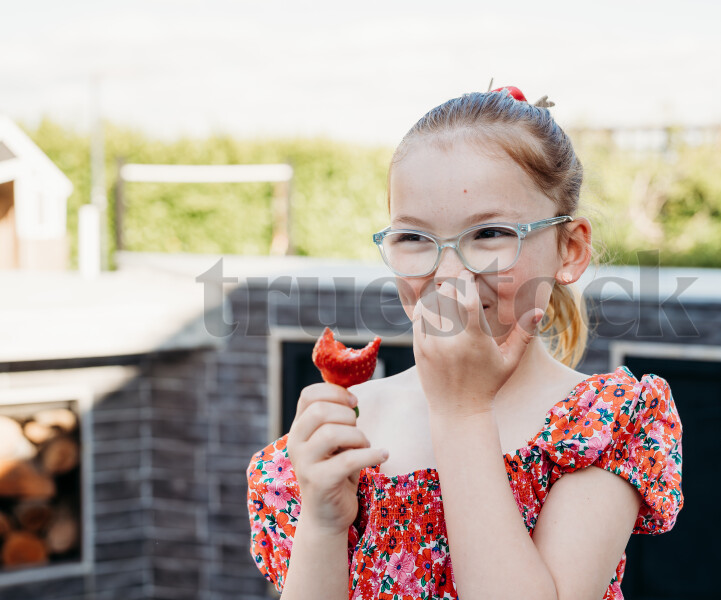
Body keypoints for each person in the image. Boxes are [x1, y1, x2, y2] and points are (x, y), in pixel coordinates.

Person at [246, 86, 684, 600]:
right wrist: (322, 521)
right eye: (413, 238)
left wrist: (462, 412)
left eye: (491, 233)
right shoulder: (354, 424)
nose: (448, 275)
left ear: (569, 249)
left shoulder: (602, 427)